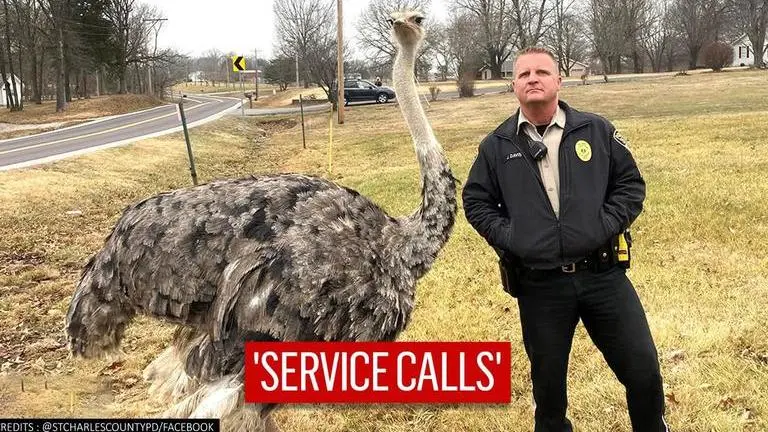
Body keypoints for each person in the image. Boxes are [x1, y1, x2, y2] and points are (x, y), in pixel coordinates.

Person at [462, 46, 669, 432]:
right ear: (513, 86)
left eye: (542, 72)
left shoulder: (596, 130)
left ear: (559, 80)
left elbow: (630, 186)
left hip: (603, 276)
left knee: (643, 371)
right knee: (549, 394)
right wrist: (512, 237)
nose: (533, 79)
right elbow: (475, 201)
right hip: (540, 286)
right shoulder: (496, 146)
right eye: (524, 74)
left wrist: (602, 225)